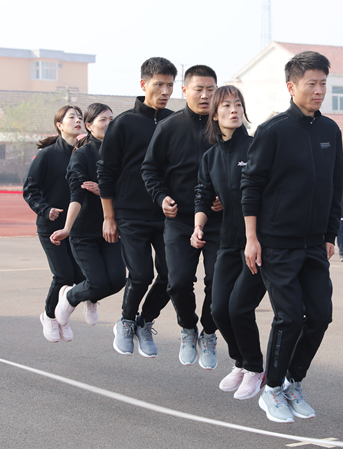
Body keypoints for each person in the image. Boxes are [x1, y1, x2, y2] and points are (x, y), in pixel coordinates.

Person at [242, 51, 343, 423]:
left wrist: (330, 233)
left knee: (320, 316)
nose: (319, 91)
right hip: (276, 242)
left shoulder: (330, 131)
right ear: (291, 86)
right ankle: (271, 390)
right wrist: (252, 238)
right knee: (289, 318)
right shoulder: (273, 131)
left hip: (314, 243)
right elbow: (250, 185)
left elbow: (335, 186)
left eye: (323, 84)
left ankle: (292, 382)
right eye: (311, 84)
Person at [142, 65, 222, 369]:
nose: (205, 95)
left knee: (217, 283)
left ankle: (209, 333)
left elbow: (243, 170)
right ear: (185, 90)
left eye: (210, 89)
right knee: (177, 282)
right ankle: (188, 329)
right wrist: (161, 197)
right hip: (179, 219)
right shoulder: (169, 127)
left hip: (217, 222)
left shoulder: (225, 127)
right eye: (198, 89)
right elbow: (149, 169)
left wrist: (227, 199)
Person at [97, 57, 176, 357]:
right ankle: (126, 320)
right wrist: (109, 217)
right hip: (130, 214)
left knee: (172, 276)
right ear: (144, 84)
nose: (165, 91)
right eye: (159, 84)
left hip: (168, 214)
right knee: (141, 275)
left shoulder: (175, 122)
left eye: (170, 85)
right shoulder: (123, 123)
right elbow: (106, 172)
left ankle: (145, 321)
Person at [192, 85, 267, 398]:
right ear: (215, 114)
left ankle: (255, 368)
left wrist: (256, 238)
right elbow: (202, 194)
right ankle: (241, 362)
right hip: (227, 243)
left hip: (259, 244)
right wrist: (198, 226)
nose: (234, 110)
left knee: (238, 308)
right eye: (226, 106)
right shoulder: (210, 156)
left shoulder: (256, 147)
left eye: (238, 104)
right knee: (218, 310)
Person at [50, 104, 126, 340]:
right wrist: (67, 228)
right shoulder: (82, 156)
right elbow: (77, 195)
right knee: (98, 283)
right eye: (103, 119)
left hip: (111, 229)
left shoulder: (121, 152)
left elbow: (130, 188)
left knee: (117, 281)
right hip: (84, 232)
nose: (110, 123)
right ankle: (70, 296)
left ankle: (89, 295)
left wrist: (104, 190)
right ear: (89, 126)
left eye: (112, 119)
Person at [23, 105, 86, 343]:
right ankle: (50, 316)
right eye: (72, 117)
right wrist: (46, 209)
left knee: (81, 275)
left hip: (79, 226)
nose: (78, 120)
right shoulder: (47, 155)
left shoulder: (85, 152)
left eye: (80, 117)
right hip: (51, 227)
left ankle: (63, 314)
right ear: (59, 125)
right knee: (63, 275)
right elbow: (30, 190)